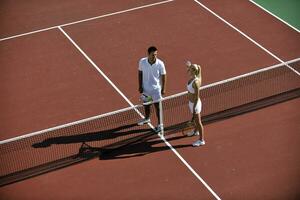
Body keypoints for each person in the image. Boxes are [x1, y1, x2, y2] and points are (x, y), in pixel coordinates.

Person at [138, 46, 167, 132]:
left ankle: (160, 124)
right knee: (146, 105)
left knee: (158, 107)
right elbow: (140, 73)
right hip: (146, 89)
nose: (155, 56)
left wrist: (163, 88)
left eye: (156, 54)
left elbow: (164, 75)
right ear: (148, 54)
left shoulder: (160, 63)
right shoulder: (142, 62)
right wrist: (140, 86)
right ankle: (147, 118)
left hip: (156, 91)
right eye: (153, 55)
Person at [186, 61, 205, 147]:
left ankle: (201, 140)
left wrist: (194, 109)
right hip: (191, 103)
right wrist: (190, 65)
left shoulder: (196, 82)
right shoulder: (194, 76)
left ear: (194, 71)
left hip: (195, 104)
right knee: (196, 121)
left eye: (191, 68)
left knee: (198, 122)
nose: (189, 69)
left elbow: (197, 97)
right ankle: (195, 131)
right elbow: (196, 67)